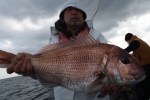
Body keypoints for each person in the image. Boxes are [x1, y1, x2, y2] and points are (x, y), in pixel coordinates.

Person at [7, 0, 122, 100]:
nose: (74, 12)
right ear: (62, 17)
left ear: (83, 16)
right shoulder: (53, 40)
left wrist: (110, 83)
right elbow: (43, 71)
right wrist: (30, 68)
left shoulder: (98, 38)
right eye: (69, 9)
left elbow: (110, 71)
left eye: (78, 10)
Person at [124, 33, 150, 100]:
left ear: (129, 39)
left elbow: (127, 50)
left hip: (147, 65)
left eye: (127, 41)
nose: (128, 43)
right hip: (147, 64)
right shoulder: (138, 41)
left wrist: (117, 52)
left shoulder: (135, 42)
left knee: (145, 84)